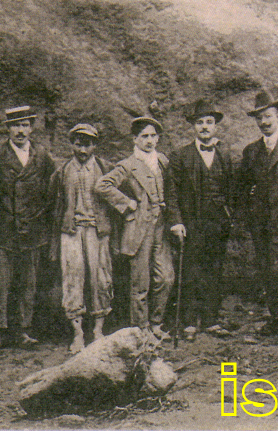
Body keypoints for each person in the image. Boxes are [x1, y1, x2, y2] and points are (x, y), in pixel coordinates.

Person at [96, 116, 182, 342]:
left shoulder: (162, 161)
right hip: (138, 230)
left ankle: (156, 323)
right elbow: (102, 185)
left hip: (160, 227)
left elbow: (171, 191)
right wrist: (127, 204)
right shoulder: (127, 165)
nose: (150, 140)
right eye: (145, 136)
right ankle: (140, 330)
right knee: (140, 282)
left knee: (166, 278)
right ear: (135, 139)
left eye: (154, 136)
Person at [0, 105, 56, 358]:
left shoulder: (42, 155)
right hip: (4, 231)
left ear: (32, 127)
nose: (20, 131)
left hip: (33, 231)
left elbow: (52, 190)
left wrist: (44, 222)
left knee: (28, 283)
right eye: (15, 125)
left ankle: (23, 330)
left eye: (25, 125)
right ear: (8, 128)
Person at [170, 100, 236, 339]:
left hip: (217, 224)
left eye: (209, 122)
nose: (205, 127)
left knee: (214, 269)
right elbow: (172, 192)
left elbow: (232, 190)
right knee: (190, 270)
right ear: (193, 127)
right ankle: (188, 322)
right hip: (191, 223)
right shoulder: (180, 156)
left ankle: (210, 319)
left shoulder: (225, 155)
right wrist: (177, 221)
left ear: (215, 126)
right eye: (200, 122)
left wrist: (229, 217)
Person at [238, 91, 278, 340]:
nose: (264, 122)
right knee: (266, 269)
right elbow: (243, 186)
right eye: (259, 118)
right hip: (261, 222)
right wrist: (247, 213)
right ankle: (276, 318)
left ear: (277, 115)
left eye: (268, 116)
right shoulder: (252, 151)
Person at [49, 123, 115, 353]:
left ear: (95, 145)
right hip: (72, 231)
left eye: (87, 145)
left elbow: (116, 201)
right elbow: (55, 206)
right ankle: (77, 332)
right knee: (73, 277)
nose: (83, 150)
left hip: (98, 231)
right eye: (78, 144)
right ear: (72, 145)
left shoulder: (106, 168)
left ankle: (98, 330)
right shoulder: (62, 171)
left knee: (101, 278)